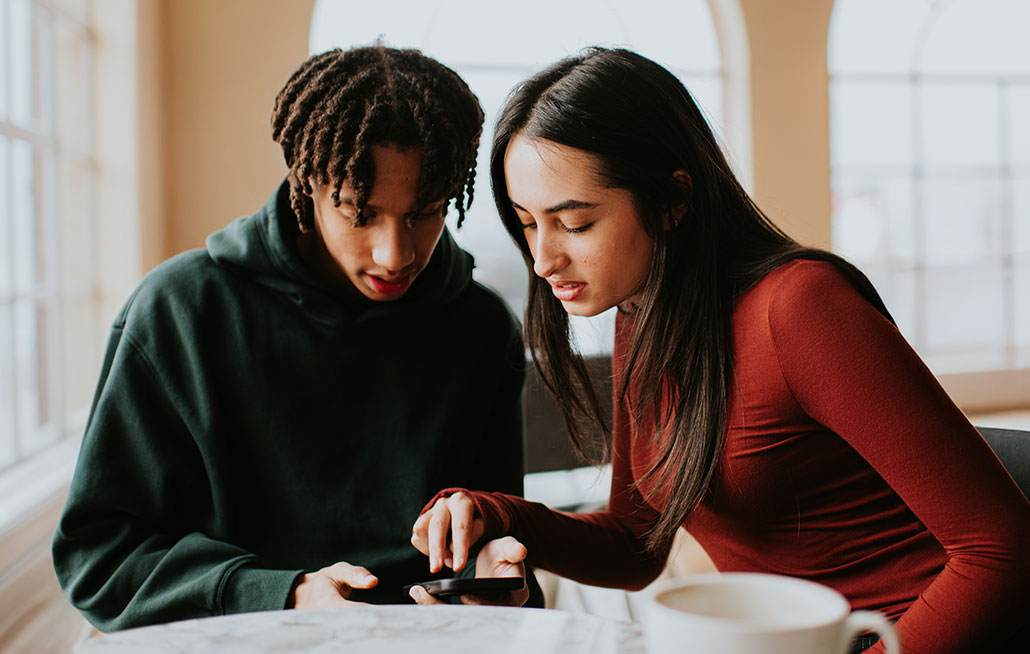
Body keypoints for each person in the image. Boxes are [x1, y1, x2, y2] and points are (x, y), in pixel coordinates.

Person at [412, 47, 1030, 653]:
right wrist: (498, 515)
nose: (544, 259)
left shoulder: (800, 308)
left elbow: (1000, 546)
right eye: (526, 222)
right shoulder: (643, 311)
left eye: (575, 223)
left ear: (673, 201)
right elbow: (636, 544)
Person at [52, 44, 535, 632]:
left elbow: (493, 529)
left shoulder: (481, 330)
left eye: (425, 211)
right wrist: (282, 594)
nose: (396, 254)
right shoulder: (177, 313)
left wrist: (493, 566)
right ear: (307, 183)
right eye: (361, 212)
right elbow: (99, 558)